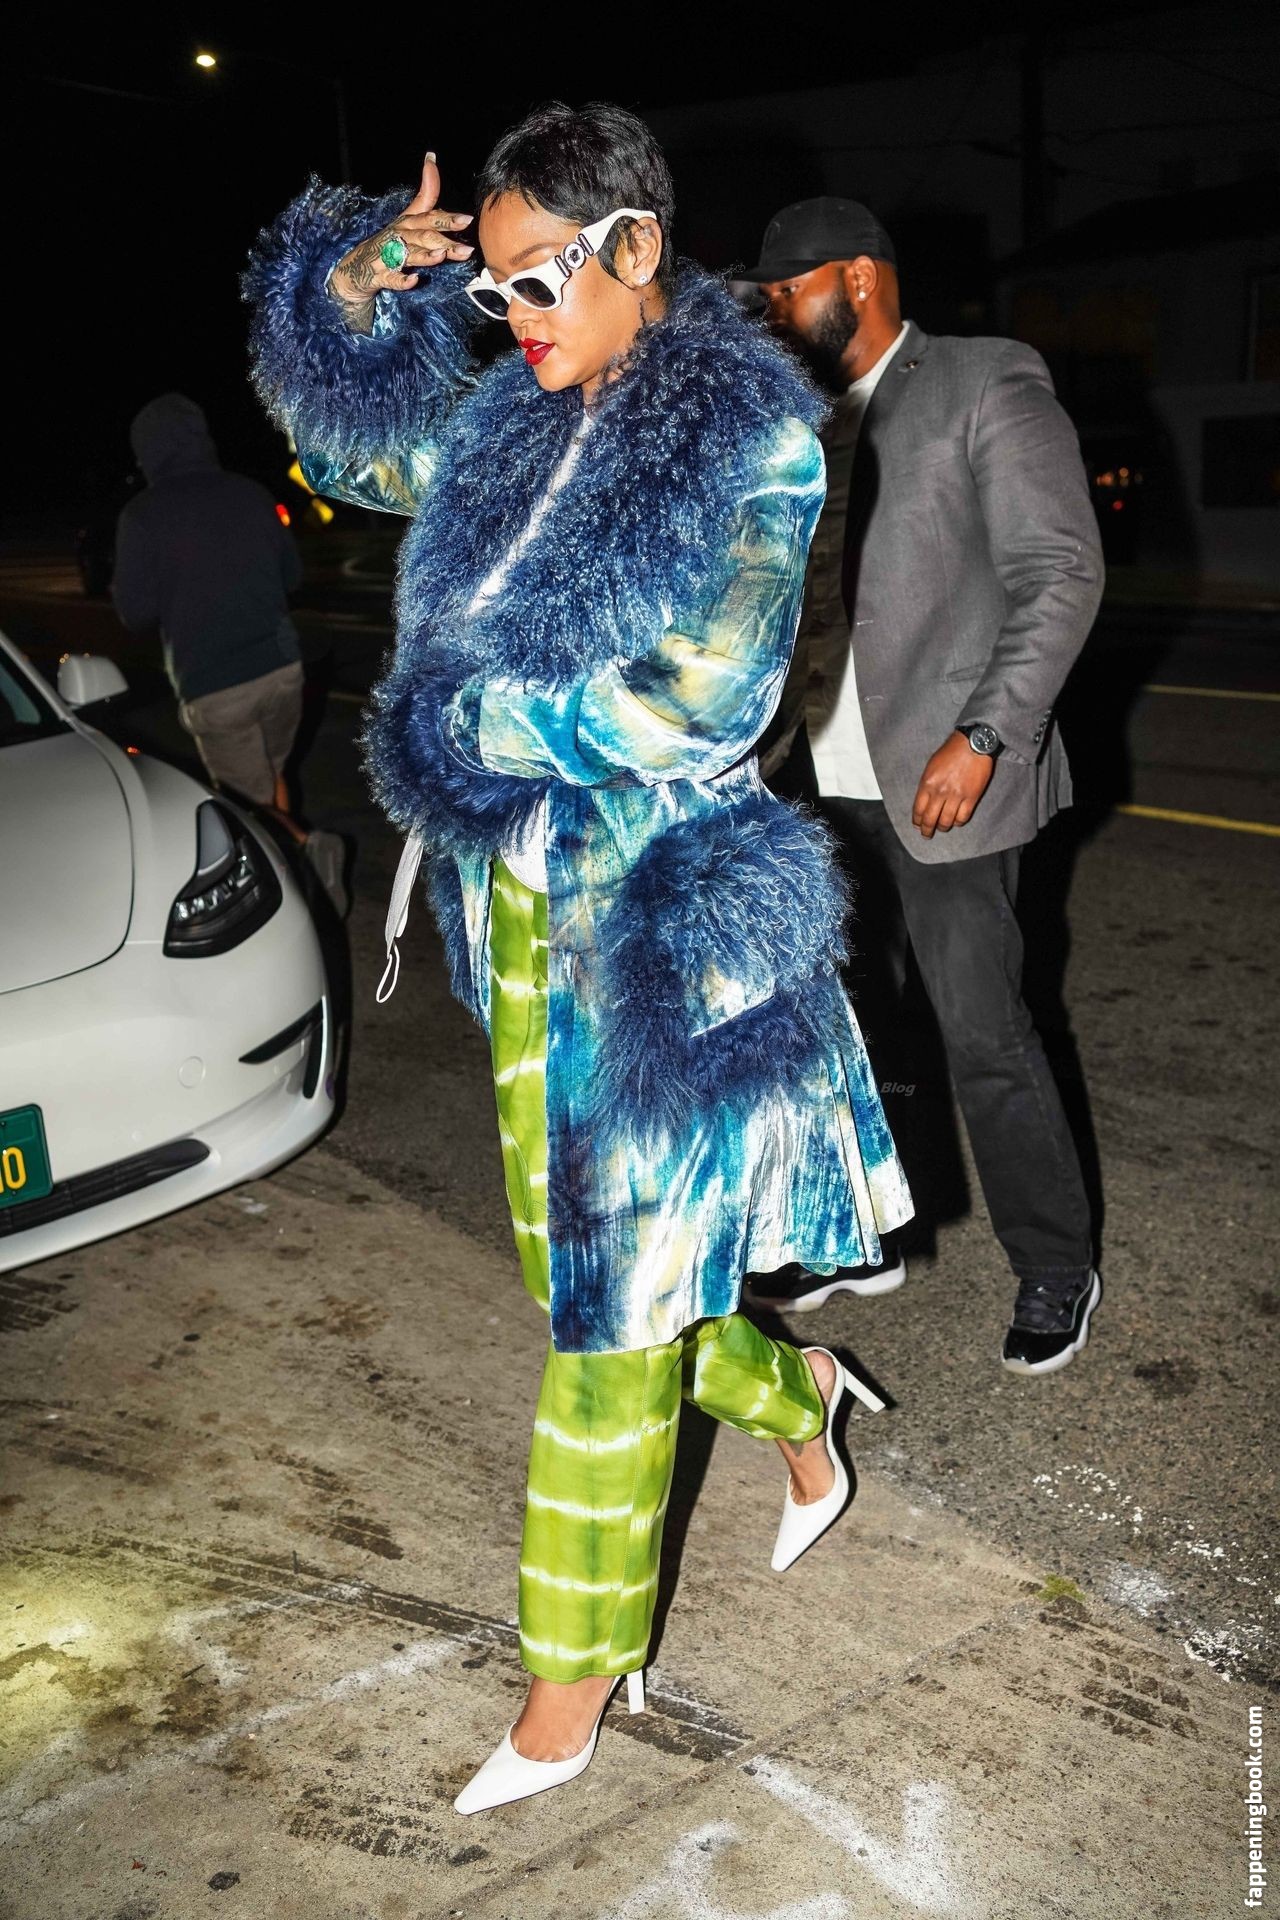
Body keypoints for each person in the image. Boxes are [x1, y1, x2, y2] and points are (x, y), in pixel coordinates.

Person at [245, 104, 912, 1815]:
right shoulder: (506, 426)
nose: (516, 316)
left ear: (637, 249)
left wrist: (464, 724)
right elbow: (351, 456)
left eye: (541, 278)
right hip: (524, 921)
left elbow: (701, 702)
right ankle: (800, 1393)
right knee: (593, 1279)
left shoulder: (753, 441)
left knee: (609, 1320)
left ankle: (567, 1686)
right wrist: (354, 291)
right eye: (496, 286)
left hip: (662, 938)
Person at [740, 197, 1104, 1377]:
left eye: (785, 290)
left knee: (980, 1030)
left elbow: (1059, 572)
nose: (770, 312)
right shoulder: (790, 420)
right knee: (847, 1029)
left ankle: (1054, 1260)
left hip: (948, 774)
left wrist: (983, 737)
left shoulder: (980, 381)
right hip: (813, 777)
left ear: (856, 276)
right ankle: (871, 1235)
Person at [111, 394, 347, 910]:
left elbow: (134, 612)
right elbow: (292, 576)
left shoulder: (142, 516)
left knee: (247, 808)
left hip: (216, 684)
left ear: (145, 452)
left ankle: (308, 850)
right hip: (283, 672)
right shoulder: (250, 494)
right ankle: (304, 893)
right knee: (272, 777)